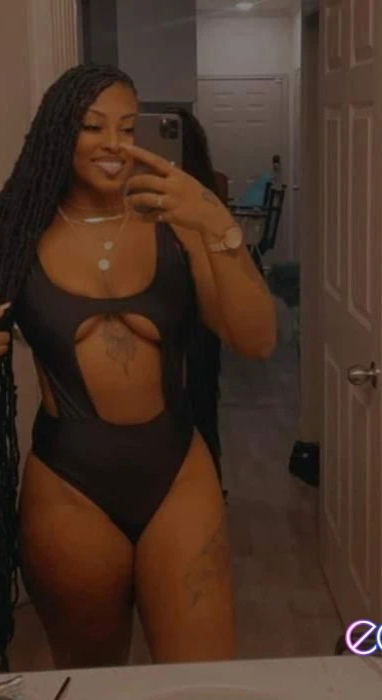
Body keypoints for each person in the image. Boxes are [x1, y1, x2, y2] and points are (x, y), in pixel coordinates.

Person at [0, 64, 277, 673]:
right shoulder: (14, 237)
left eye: (127, 127)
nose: (114, 143)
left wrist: (217, 223)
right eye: (93, 127)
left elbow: (258, 340)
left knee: (204, 680)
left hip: (179, 474)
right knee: (92, 680)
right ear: (57, 133)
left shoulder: (177, 221)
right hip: (69, 490)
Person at [165, 105, 224, 488]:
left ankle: (201, 490)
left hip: (195, 311)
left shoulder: (206, 195)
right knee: (198, 406)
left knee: (193, 404)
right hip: (188, 313)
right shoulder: (135, 190)